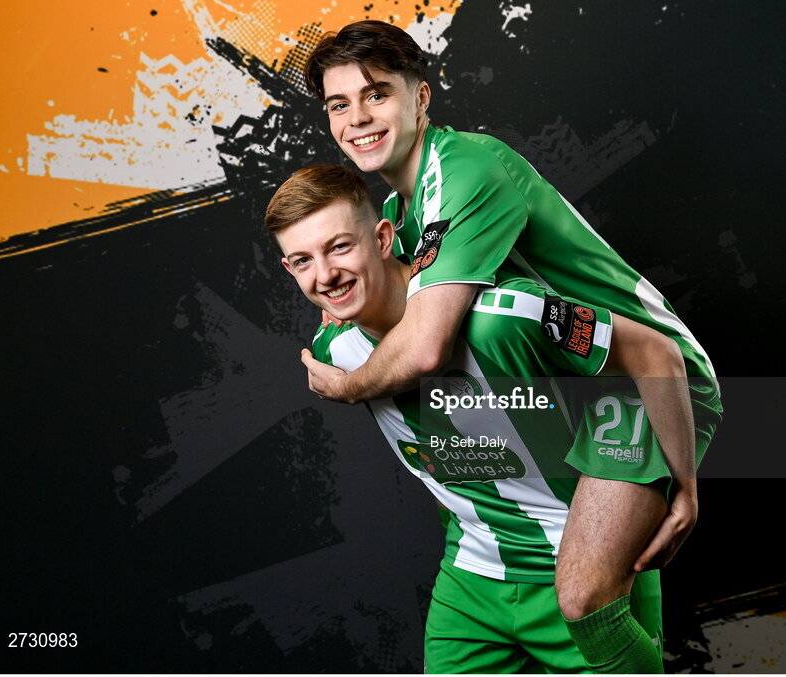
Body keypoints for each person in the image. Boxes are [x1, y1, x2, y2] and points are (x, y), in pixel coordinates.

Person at [297, 21, 722, 673]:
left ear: (421, 97)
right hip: (571, 385)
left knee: (581, 596)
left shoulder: (468, 169)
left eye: (376, 94)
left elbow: (428, 344)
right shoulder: (400, 211)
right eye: (338, 104)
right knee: (579, 569)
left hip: (642, 380)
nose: (358, 117)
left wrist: (343, 383)